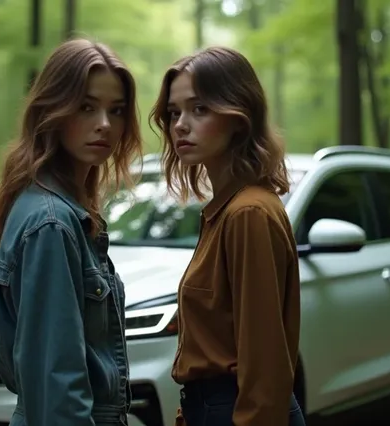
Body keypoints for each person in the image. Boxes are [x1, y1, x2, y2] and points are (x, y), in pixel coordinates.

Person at [0, 38, 143, 426]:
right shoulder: (52, 223)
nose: (104, 124)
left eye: (115, 111)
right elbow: (57, 384)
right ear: (53, 110)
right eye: (86, 107)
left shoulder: (65, 210)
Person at [150, 46, 305, 426]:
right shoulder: (225, 210)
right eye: (174, 113)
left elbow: (265, 362)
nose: (180, 125)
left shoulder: (248, 213)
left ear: (239, 117)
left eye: (199, 109)